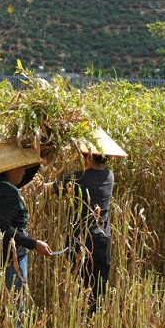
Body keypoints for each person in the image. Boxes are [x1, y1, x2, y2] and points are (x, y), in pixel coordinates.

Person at [44, 127, 127, 315]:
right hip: (102, 239)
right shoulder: (109, 176)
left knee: (80, 286)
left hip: (79, 241)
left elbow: (48, 190)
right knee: (98, 289)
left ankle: (79, 322)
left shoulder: (77, 178)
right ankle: (93, 323)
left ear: (88, 156)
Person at [0, 141, 52, 295]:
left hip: (4, 255)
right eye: (22, 167)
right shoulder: (8, 193)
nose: (24, 172)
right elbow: (3, 227)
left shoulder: (1, 185)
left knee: (6, 306)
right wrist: (34, 244)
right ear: (11, 169)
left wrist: (40, 152)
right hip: (10, 259)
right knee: (15, 308)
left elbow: (27, 174)